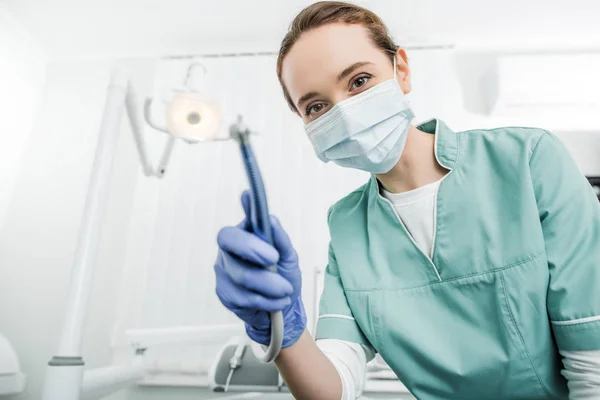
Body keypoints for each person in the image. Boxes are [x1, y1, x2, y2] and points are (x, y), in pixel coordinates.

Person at [213, 2, 600, 399]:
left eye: (359, 80)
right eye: (316, 106)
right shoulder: (346, 226)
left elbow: (593, 366)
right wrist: (283, 329)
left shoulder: (527, 160)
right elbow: (333, 389)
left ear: (401, 70)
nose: (344, 114)